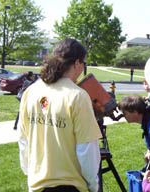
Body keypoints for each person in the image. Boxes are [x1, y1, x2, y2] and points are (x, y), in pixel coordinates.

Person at [17, 38, 102, 192]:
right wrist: (93, 185)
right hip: (69, 186)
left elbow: (23, 141)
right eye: (84, 64)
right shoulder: (78, 96)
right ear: (77, 63)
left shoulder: (31, 91)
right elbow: (86, 149)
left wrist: (31, 173)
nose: (83, 68)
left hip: (36, 184)